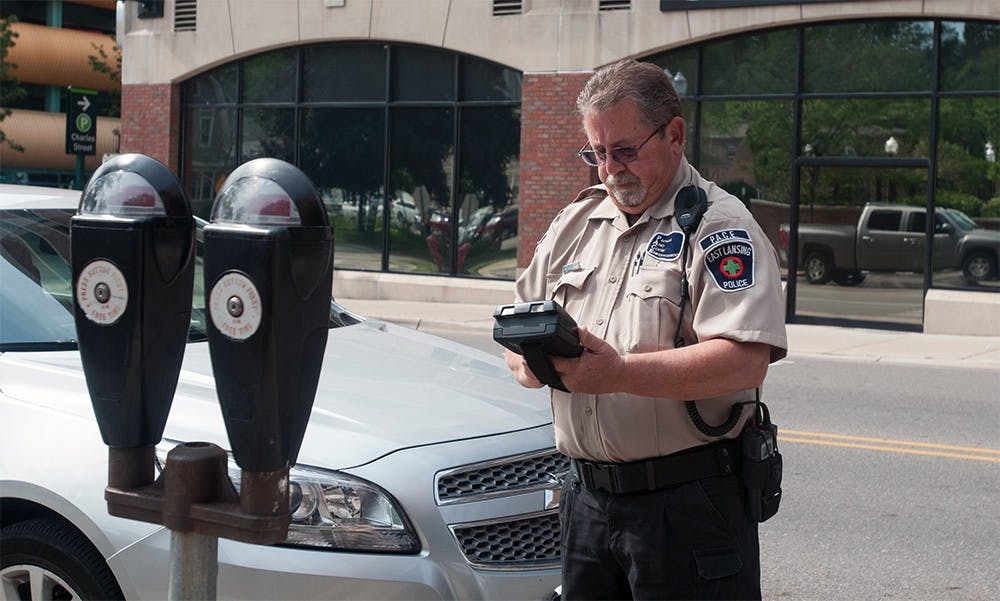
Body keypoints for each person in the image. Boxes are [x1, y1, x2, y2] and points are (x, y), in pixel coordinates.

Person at [505, 58, 788, 600]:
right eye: (598, 153)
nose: (611, 169)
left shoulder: (720, 227)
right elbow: (516, 322)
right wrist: (530, 360)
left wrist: (619, 373)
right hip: (586, 505)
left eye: (626, 150)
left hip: (686, 505)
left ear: (674, 135)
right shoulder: (575, 224)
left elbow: (745, 359)